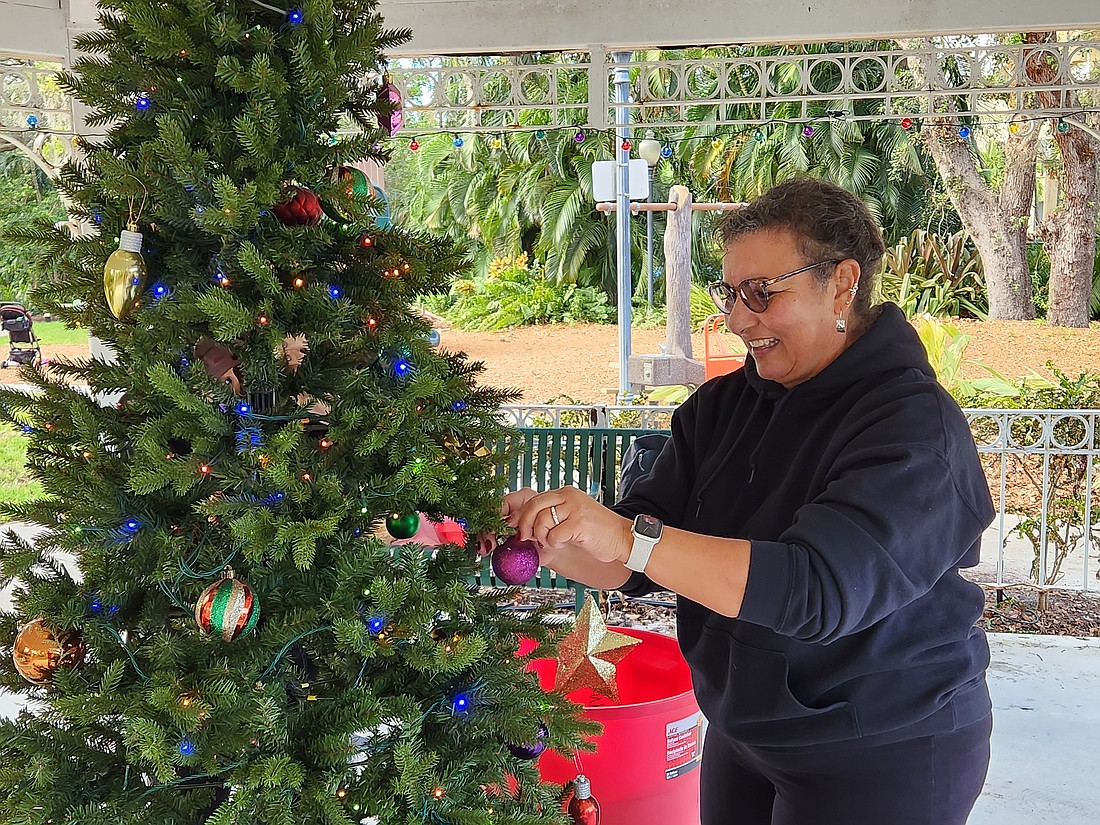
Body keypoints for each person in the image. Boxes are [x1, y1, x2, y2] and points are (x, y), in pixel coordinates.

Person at [481, 177, 995, 825]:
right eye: (730, 293)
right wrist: (544, 536)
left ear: (840, 283)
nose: (737, 318)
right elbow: (633, 561)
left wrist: (626, 538)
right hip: (746, 728)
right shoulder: (722, 409)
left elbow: (814, 589)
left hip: (883, 739)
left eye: (761, 293)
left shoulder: (914, 427)